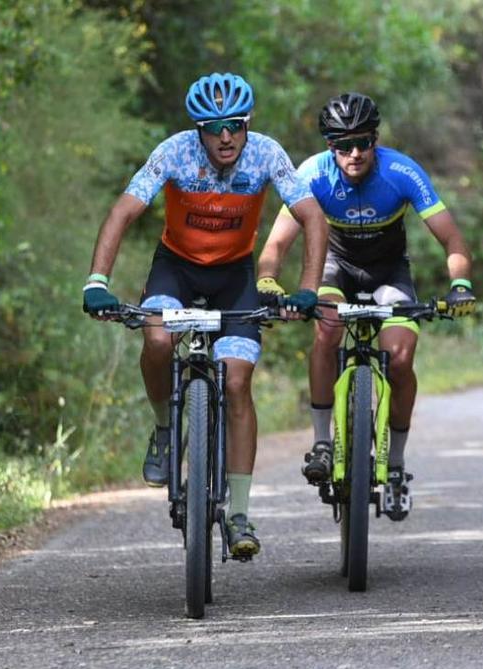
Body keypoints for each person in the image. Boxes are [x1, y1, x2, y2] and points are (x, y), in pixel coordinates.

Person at [82, 73, 329, 558]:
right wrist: (97, 282)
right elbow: (122, 213)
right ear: (198, 129)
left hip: (234, 278)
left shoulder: (266, 154)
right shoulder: (174, 152)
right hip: (176, 269)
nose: (225, 137)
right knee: (155, 340)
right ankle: (163, 429)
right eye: (213, 127)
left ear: (247, 124)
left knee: (237, 382)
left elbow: (313, 217)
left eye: (234, 125)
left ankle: (238, 513)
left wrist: (307, 289)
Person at [257, 92, 475, 521]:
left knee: (400, 359)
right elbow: (277, 242)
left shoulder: (401, 172)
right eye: (342, 144)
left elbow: (451, 238)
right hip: (334, 268)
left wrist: (460, 284)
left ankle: (394, 465)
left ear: (375, 140)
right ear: (329, 147)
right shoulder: (312, 175)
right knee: (327, 327)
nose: (354, 153)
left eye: (362, 142)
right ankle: (322, 442)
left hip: (388, 275)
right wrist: (267, 280)